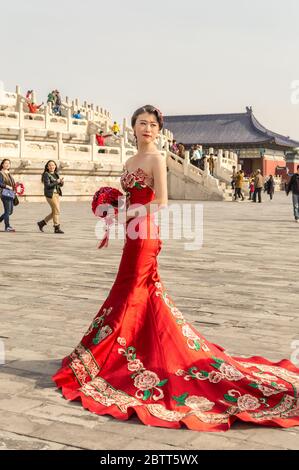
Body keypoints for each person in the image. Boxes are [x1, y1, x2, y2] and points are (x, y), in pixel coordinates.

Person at [52, 104, 299, 432]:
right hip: (131, 233)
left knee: (132, 292)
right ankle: (130, 349)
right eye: (142, 123)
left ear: (158, 129)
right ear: (133, 127)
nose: (148, 129)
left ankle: (114, 354)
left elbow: (160, 202)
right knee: (139, 293)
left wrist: (126, 214)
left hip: (146, 233)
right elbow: (131, 196)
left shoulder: (156, 158)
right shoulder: (129, 161)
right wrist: (112, 208)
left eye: (153, 124)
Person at [37, 160, 64, 234]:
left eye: (53, 165)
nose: (52, 166)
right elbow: (48, 186)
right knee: (57, 210)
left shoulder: (56, 174)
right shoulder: (46, 174)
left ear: (55, 166)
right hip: (50, 195)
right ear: (47, 167)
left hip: (56, 194)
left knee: (55, 211)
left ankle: (42, 223)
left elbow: (59, 185)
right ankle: (56, 227)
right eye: (50, 165)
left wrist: (61, 182)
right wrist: (57, 182)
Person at [0, 159, 16, 232]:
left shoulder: (8, 173)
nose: (7, 164)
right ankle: (7, 226)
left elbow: (12, 183)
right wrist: (7, 186)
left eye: (8, 163)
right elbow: (0, 183)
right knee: (7, 211)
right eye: (5, 163)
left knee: (10, 212)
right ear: (2, 164)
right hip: (5, 193)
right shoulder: (1, 173)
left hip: (11, 193)